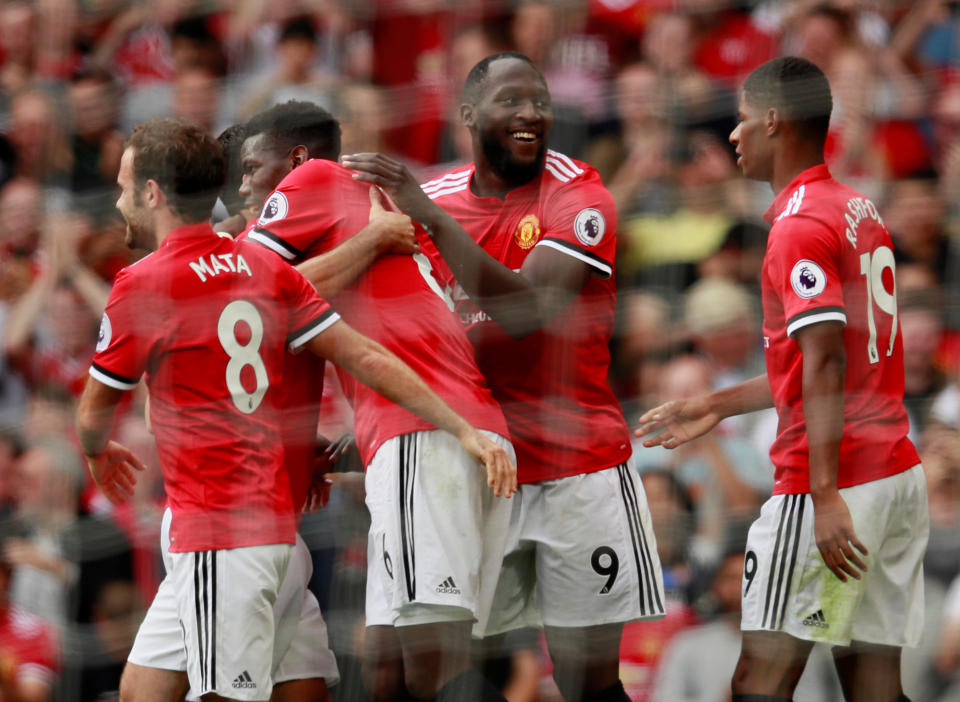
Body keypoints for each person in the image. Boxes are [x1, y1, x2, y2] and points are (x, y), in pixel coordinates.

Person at [73, 117, 516, 702]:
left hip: (217, 532)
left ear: (153, 193)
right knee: (150, 691)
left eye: (127, 186)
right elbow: (360, 353)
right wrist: (462, 427)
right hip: (277, 530)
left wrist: (95, 449)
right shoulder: (261, 270)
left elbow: (98, 411)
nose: (118, 200)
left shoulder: (150, 283)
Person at [343, 52, 666, 702]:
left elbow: (525, 310)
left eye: (539, 101)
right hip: (475, 469)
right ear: (467, 114)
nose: (531, 114)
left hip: (578, 470)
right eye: (511, 101)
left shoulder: (579, 195)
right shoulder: (426, 200)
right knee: (423, 669)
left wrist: (429, 221)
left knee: (587, 682)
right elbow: (392, 325)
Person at [636, 56, 928, 702]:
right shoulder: (855, 207)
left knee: (757, 685)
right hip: (893, 474)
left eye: (741, 120)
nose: (734, 135)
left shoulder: (796, 227)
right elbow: (830, 360)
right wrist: (716, 402)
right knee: (874, 689)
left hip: (833, 485)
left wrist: (822, 493)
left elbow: (824, 359)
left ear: (773, 120)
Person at [238, 100, 518, 702]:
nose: (244, 185)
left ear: (293, 159)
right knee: (386, 664)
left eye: (249, 168)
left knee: (432, 666)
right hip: (445, 430)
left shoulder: (313, 179)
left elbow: (251, 304)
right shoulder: (384, 211)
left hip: (426, 433)